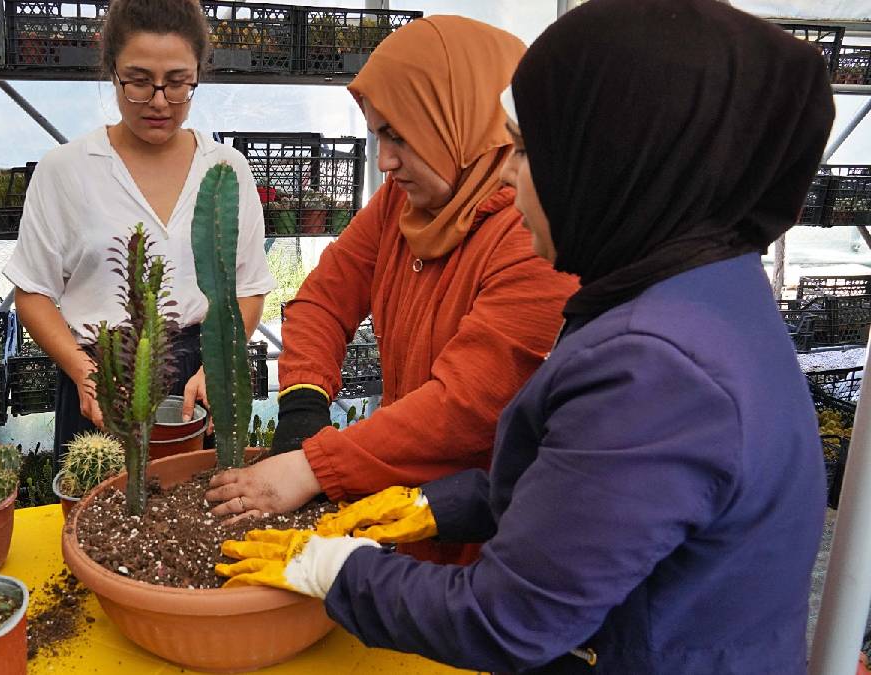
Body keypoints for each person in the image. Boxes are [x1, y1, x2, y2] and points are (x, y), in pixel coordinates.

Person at [213, 1, 834, 672]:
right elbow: (576, 481)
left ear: (609, 160)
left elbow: (508, 616)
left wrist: (331, 568)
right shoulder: (700, 284)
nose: (509, 172)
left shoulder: (656, 369)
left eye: (531, 148)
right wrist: (432, 504)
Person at [205, 16, 578, 565]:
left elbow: (465, 408)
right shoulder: (403, 207)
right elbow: (323, 300)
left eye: (400, 135)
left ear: (461, 119)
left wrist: (315, 467)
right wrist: (303, 404)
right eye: (378, 134)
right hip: (402, 509)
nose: (384, 160)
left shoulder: (533, 236)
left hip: (488, 540)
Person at [4, 0, 275, 451]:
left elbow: (248, 287)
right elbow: (32, 290)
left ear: (197, 76)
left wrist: (218, 365)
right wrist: (85, 374)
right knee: (100, 506)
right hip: (101, 372)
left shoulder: (226, 171)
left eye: (177, 84)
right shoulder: (67, 169)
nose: (158, 102)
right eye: (139, 82)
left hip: (198, 375)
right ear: (112, 71)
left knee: (198, 511)